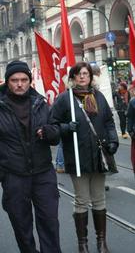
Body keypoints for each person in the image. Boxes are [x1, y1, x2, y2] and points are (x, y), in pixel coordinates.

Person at [50, 61, 119, 253]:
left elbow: (108, 121)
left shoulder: (99, 97)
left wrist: (113, 140)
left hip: (98, 156)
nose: (82, 77)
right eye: (79, 74)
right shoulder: (65, 99)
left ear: (90, 77)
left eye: (86, 74)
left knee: (99, 199)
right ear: (72, 78)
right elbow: (52, 125)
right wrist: (65, 127)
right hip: (78, 157)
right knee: (81, 200)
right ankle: (83, 244)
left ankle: (101, 241)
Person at [0, 60, 61, 253]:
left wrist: (51, 132)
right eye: (15, 80)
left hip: (43, 174)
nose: (19, 84)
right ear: (7, 82)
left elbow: (56, 132)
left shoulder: (41, 103)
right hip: (14, 176)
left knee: (50, 222)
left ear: (30, 81)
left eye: (24, 79)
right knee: (21, 226)